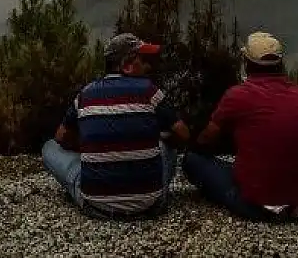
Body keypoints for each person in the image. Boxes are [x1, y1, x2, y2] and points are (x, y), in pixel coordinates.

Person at [42, 33, 190, 219]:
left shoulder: (85, 94)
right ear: (126, 66)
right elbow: (183, 134)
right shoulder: (149, 91)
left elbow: (61, 136)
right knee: (166, 145)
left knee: (49, 147)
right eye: (142, 60)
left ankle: (99, 185)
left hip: (95, 206)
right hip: (150, 205)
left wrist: (86, 149)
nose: (147, 66)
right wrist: (160, 139)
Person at [183, 31, 298, 221]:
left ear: (247, 63)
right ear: (280, 64)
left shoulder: (238, 95)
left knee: (192, 161)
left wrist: (195, 146)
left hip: (259, 206)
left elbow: (207, 137)